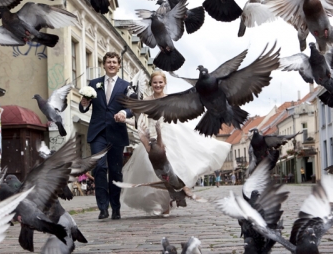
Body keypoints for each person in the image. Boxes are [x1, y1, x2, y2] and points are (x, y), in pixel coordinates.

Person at [119, 71, 230, 217]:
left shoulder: (171, 99)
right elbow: (140, 123)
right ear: (151, 84)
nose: (158, 85)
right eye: (155, 82)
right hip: (153, 138)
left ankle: (167, 204)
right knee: (150, 170)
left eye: (160, 82)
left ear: (165, 83)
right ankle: (160, 202)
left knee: (172, 170)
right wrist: (125, 120)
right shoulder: (146, 101)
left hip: (171, 135)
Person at [79, 52, 133, 220]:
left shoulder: (126, 85)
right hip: (98, 133)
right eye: (108, 62)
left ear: (118, 66)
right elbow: (83, 107)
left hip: (116, 132)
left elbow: (133, 107)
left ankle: (116, 207)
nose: (111, 64)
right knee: (100, 168)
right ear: (104, 65)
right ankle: (103, 208)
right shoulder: (94, 84)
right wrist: (84, 104)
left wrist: (124, 112)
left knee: (116, 172)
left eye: (114, 62)